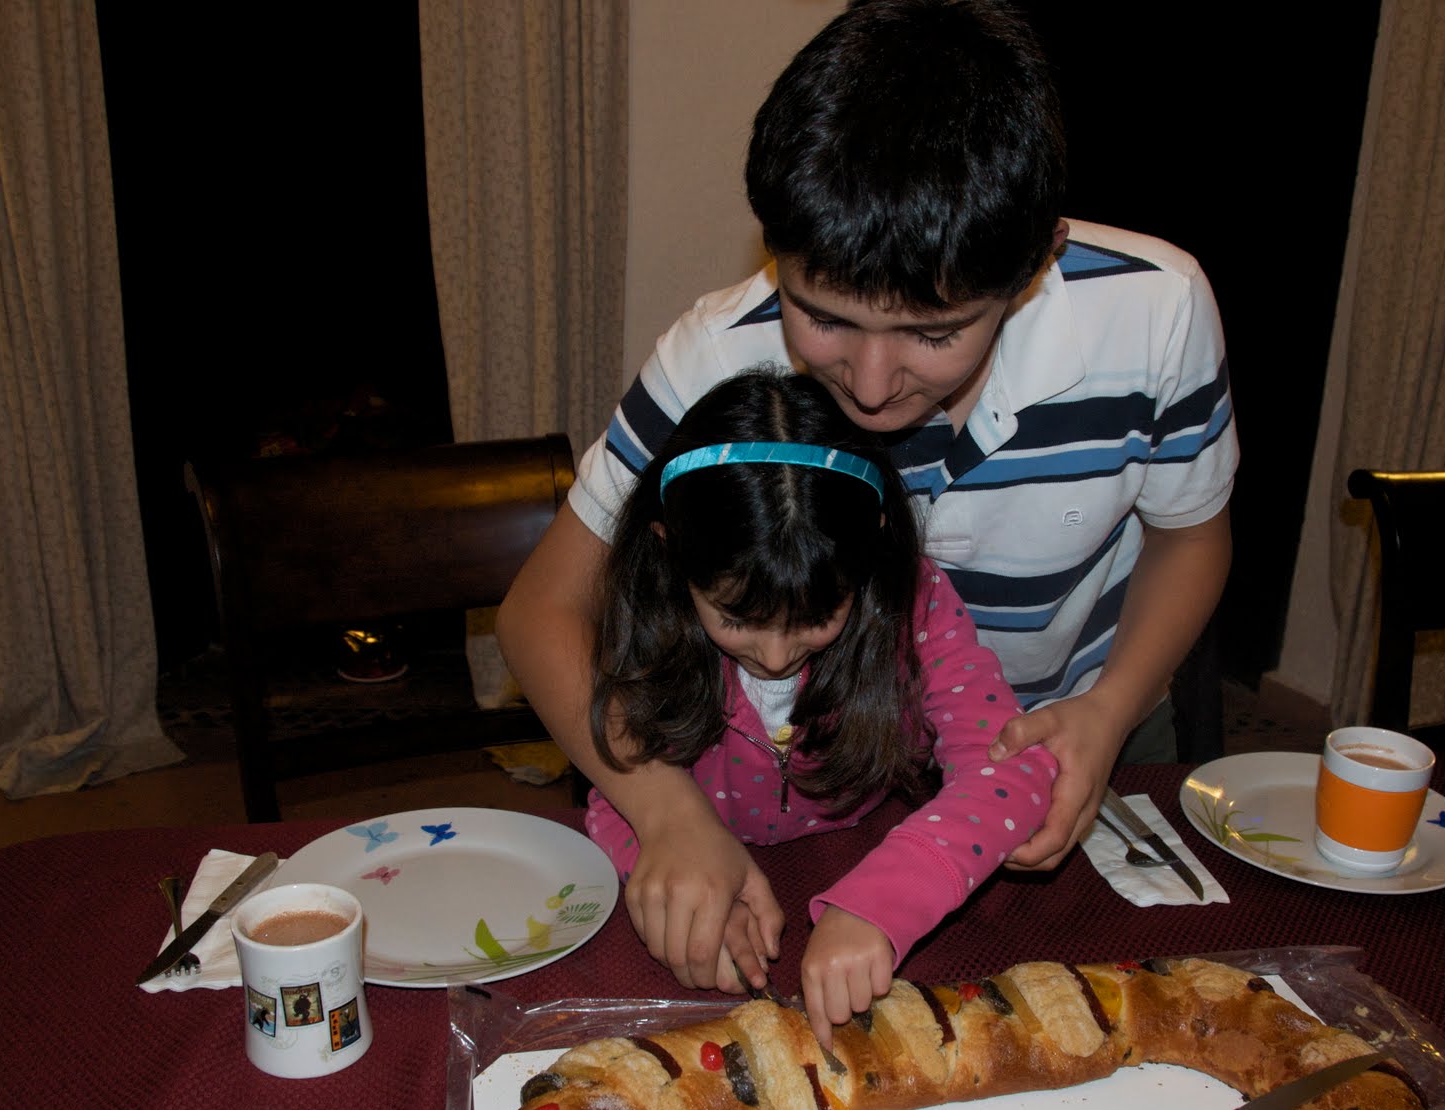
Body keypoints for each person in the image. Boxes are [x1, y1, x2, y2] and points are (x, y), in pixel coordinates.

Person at [497, 0, 1235, 999]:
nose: (874, 386)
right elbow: (541, 610)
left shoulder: (1158, 311)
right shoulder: (718, 356)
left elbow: (1190, 539)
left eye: (934, 333)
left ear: (1035, 263)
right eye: (824, 317)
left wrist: (1107, 711)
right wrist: (666, 811)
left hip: (1084, 715)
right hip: (829, 772)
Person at [585, 365, 1054, 1047]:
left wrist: (886, 902)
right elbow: (615, 789)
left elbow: (1013, 770)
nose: (776, 655)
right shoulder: (647, 617)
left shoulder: (915, 606)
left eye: (816, 617)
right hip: (727, 877)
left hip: (867, 861)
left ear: (870, 553)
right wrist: (682, 891)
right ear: (671, 552)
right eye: (736, 618)